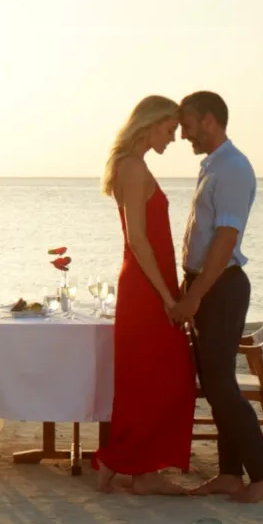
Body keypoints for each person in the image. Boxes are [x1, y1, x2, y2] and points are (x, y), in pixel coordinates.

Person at [172, 90, 263, 503]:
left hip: (221, 286)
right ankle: (230, 474)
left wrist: (195, 295)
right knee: (217, 384)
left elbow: (224, 239)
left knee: (221, 387)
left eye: (187, 125)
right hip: (206, 284)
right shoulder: (213, 165)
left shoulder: (233, 167)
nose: (183, 134)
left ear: (209, 121)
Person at [91, 95, 197, 495]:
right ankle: (135, 469)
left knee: (148, 378)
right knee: (169, 377)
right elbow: (137, 239)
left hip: (147, 284)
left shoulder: (131, 165)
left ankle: (126, 466)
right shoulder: (132, 168)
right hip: (145, 286)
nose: (172, 139)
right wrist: (168, 298)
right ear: (150, 124)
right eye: (169, 131)